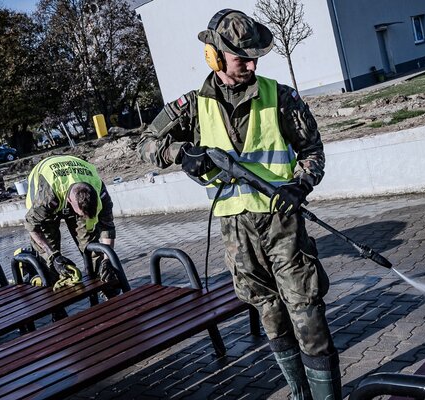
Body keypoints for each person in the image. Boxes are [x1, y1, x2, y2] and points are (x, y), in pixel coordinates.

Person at [137, 9, 338, 400]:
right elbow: (145, 143)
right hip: (236, 232)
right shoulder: (191, 106)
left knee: (306, 310)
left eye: (255, 56)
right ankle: (299, 392)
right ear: (213, 55)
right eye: (241, 57)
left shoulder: (279, 96)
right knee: (270, 313)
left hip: (282, 224)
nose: (251, 64)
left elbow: (312, 149)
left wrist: (300, 184)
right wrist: (182, 153)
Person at [24, 155, 119, 296]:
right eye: (81, 214)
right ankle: (56, 305)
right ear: (69, 201)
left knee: (92, 248)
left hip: (73, 183)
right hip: (45, 201)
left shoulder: (99, 190)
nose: (84, 218)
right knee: (49, 261)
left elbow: (108, 227)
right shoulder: (48, 197)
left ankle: (106, 288)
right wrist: (53, 256)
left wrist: (107, 260)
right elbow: (31, 225)